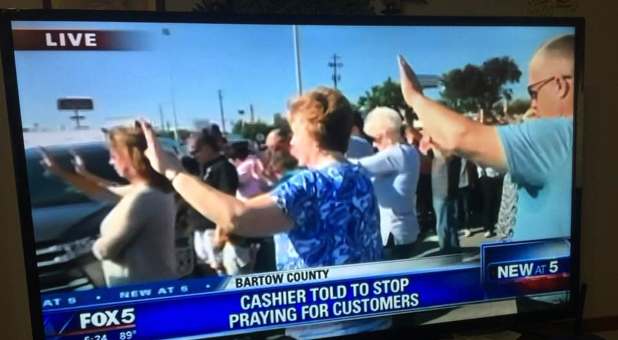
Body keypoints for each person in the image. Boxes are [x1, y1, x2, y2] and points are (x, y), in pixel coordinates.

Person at [139, 86, 389, 338]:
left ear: (314, 132)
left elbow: (237, 217)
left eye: (294, 132)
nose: (291, 142)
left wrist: (173, 171)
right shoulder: (359, 176)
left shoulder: (310, 185)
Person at [398, 33, 575, 242]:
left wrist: (414, 97)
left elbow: (459, 135)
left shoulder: (559, 135)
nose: (533, 104)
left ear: (560, 86)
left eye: (533, 92)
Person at [39, 126, 178, 287]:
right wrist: (66, 173)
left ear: (129, 158)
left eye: (113, 156)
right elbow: (103, 191)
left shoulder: (144, 197)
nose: (110, 162)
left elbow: (105, 250)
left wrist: (90, 244)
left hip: (141, 292)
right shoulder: (149, 191)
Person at [349, 106, 421, 259]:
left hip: (395, 232)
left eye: (376, 138)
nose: (374, 144)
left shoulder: (398, 154)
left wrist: (330, 158)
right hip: (401, 230)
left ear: (386, 134)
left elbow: (358, 166)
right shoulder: (409, 152)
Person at [185, 131, 239, 275]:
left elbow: (227, 200)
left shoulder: (224, 168)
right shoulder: (204, 167)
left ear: (208, 147)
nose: (193, 156)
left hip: (213, 227)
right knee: (209, 266)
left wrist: (220, 231)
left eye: (195, 151)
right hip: (200, 227)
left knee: (221, 270)